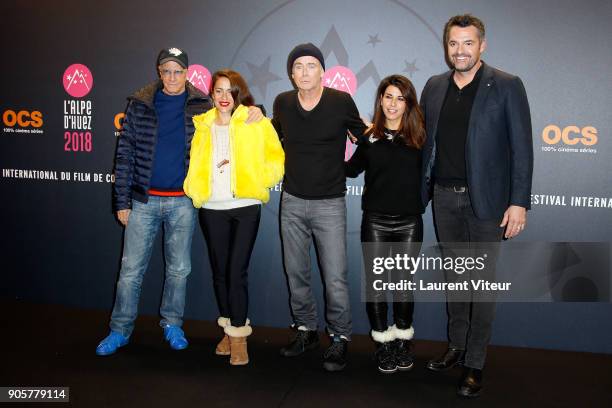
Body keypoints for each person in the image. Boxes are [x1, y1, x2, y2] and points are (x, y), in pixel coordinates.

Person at [96, 48, 263, 356]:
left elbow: (235, 113)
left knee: (179, 270)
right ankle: (119, 329)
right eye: (167, 70)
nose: (172, 77)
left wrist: (256, 110)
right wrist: (122, 201)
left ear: (188, 73)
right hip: (143, 201)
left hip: (183, 203)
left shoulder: (201, 104)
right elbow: (125, 154)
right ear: (159, 72)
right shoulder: (139, 104)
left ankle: (172, 324)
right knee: (131, 270)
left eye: (178, 71)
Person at [420, 15, 533, 397]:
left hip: (487, 203)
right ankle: (456, 346)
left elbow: (522, 149)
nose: (460, 51)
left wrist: (519, 202)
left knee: (481, 285)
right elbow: (421, 140)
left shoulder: (506, 85)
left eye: (468, 43)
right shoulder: (434, 87)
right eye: (454, 43)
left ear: (482, 45)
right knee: (456, 279)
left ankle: (475, 361)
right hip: (444, 198)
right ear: (446, 46)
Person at [272, 43, 367, 372]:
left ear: (322, 71)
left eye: (311, 65)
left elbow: (365, 139)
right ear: (291, 73)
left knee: (335, 277)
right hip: (292, 202)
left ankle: (340, 338)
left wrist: (348, 169)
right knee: (296, 272)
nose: (304, 72)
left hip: (330, 202)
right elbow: (269, 141)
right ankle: (305, 330)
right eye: (298, 66)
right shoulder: (283, 103)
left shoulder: (340, 102)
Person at [183, 69, 284, 366]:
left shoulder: (256, 121)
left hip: (245, 207)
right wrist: (194, 187)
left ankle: (239, 338)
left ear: (239, 93)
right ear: (211, 94)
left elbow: (276, 158)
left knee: (236, 271)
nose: (224, 97)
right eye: (218, 91)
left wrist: (260, 180)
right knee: (219, 273)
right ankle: (228, 330)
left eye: (230, 91)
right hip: (212, 208)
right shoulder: (201, 125)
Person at [345, 75, 425, 374]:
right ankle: (383, 343)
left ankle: (403, 339)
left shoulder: (421, 137)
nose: (393, 104)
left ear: (408, 103)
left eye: (399, 98)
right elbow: (351, 171)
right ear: (380, 100)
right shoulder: (370, 137)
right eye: (388, 97)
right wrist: (321, 149)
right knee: (378, 284)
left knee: (403, 284)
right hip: (375, 221)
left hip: (409, 223)